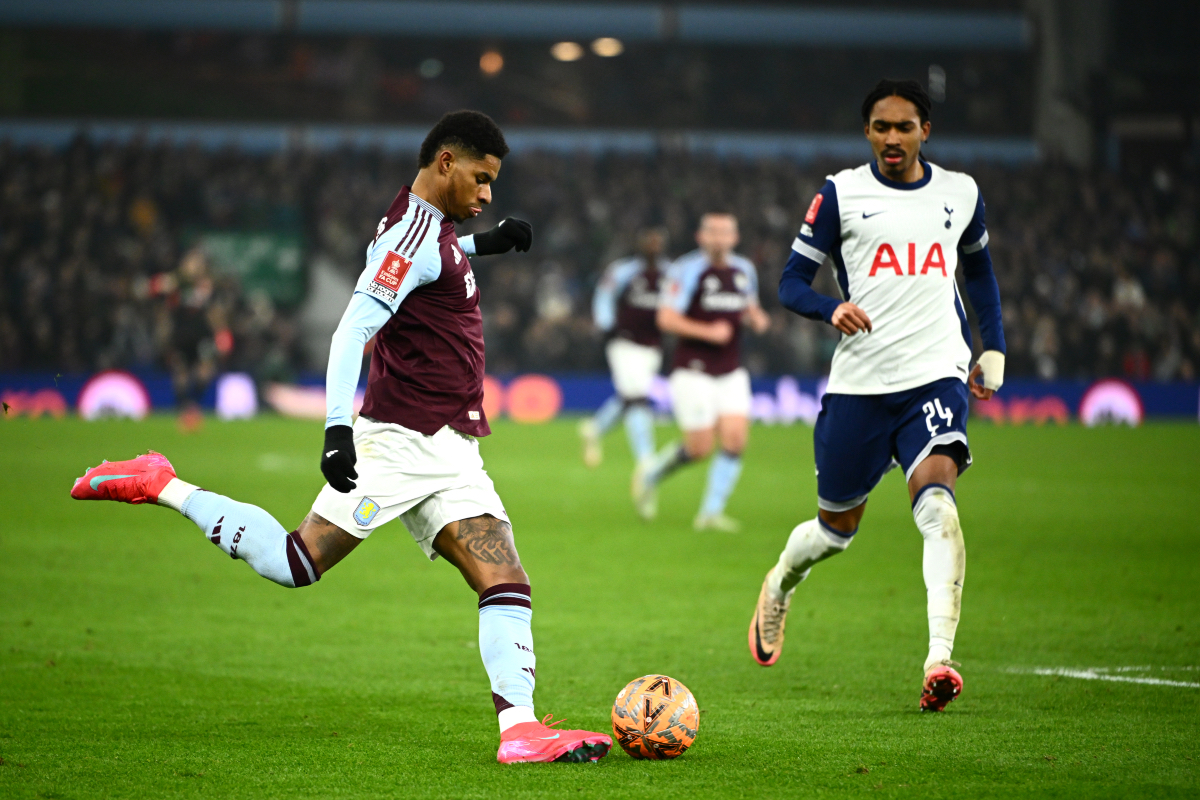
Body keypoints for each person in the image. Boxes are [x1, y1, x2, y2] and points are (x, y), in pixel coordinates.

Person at [70, 111, 612, 763]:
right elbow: (351, 330)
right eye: (482, 178)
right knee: (296, 564)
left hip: (451, 444)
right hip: (400, 441)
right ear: (445, 162)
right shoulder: (409, 238)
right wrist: (335, 431)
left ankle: (520, 731)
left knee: (505, 578)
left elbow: (427, 267)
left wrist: (484, 246)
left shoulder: (426, 232)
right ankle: (164, 484)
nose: (489, 193)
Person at [746, 80, 1006, 713]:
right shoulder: (841, 194)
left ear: (925, 132)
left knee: (938, 507)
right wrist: (830, 306)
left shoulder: (959, 193)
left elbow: (979, 274)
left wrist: (991, 346)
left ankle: (938, 659)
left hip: (935, 374)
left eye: (905, 126)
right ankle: (781, 582)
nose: (893, 137)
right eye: (882, 127)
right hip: (860, 385)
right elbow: (788, 284)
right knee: (835, 530)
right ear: (867, 132)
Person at [632, 212, 770, 531]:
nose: (720, 238)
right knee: (699, 448)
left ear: (735, 238)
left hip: (732, 368)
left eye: (726, 232)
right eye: (713, 232)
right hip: (692, 369)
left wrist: (757, 318)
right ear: (701, 236)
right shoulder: (686, 269)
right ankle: (651, 475)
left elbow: (748, 306)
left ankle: (710, 513)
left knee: (735, 440)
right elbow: (666, 319)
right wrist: (708, 332)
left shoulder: (744, 269)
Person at [578, 227, 668, 472]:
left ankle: (594, 429)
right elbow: (604, 295)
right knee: (638, 398)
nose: (653, 246)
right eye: (649, 241)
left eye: (657, 242)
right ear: (640, 245)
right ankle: (646, 460)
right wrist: (606, 325)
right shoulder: (624, 271)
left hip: (652, 346)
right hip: (624, 343)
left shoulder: (670, 273)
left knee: (630, 397)